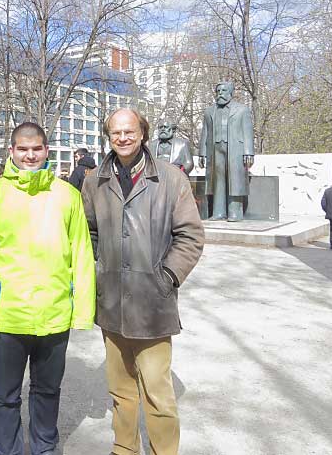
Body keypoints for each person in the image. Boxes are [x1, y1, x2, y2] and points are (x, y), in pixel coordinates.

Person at [0, 122, 96, 455]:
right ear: (11, 151)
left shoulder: (67, 195)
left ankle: (44, 449)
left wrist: (82, 310)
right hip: (9, 316)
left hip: (55, 314)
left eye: (36, 148)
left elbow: (82, 254)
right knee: (5, 395)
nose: (30, 155)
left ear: (46, 150)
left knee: (48, 392)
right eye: (23, 149)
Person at [81, 109, 204, 455]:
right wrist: (98, 272)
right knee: (121, 392)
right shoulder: (94, 181)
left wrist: (166, 278)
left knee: (157, 393)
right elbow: (89, 232)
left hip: (153, 306)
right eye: (115, 132)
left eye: (129, 131)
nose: (122, 137)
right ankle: (124, 449)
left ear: (143, 133)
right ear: (108, 136)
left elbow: (190, 236)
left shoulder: (170, 179)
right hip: (111, 304)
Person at [198, 81, 255, 221]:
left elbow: (247, 131)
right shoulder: (209, 111)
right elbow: (205, 132)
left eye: (223, 91)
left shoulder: (242, 109)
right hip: (215, 149)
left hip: (236, 149)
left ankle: (235, 212)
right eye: (218, 91)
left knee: (235, 180)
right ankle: (218, 212)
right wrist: (202, 153)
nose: (220, 94)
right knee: (218, 181)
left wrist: (249, 152)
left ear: (231, 93)